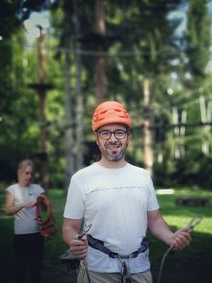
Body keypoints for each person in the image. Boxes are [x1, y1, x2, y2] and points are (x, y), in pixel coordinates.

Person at [62, 101, 192, 283]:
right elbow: (70, 227)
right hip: (97, 271)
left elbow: (154, 220)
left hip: (140, 270)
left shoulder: (142, 177)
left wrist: (171, 237)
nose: (113, 139)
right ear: (97, 139)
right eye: (105, 133)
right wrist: (73, 242)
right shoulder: (81, 179)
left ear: (128, 138)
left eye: (120, 132)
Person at [5, 159, 45, 283]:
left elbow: (45, 208)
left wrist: (43, 203)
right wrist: (23, 204)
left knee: (36, 270)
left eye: (32, 173)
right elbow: (8, 211)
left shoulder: (37, 188)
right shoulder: (13, 189)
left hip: (37, 236)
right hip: (21, 237)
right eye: (26, 173)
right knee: (20, 270)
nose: (29, 176)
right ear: (20, 172)